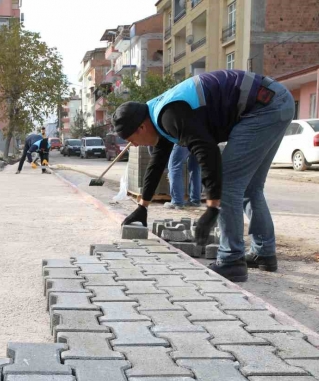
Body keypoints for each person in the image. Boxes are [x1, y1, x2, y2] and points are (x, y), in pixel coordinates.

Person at [113, 70, 294, 282]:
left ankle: (231, 260)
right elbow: (157, 163)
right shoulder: (157, 114)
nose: (133, 145)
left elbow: (207, 152)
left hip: (262, 107)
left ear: (141, 127)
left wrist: (212, 207)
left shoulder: (169, 115)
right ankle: (263, 252)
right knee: (250, 188)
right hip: (275, 102)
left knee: (229, 186)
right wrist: (142, 207)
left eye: (131, 139)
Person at [165, 144, 202, 209]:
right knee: (195, 167)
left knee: (174, 166)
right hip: (202, 139)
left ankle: (177, 202)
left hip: (186, 137)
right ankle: (195, 200)